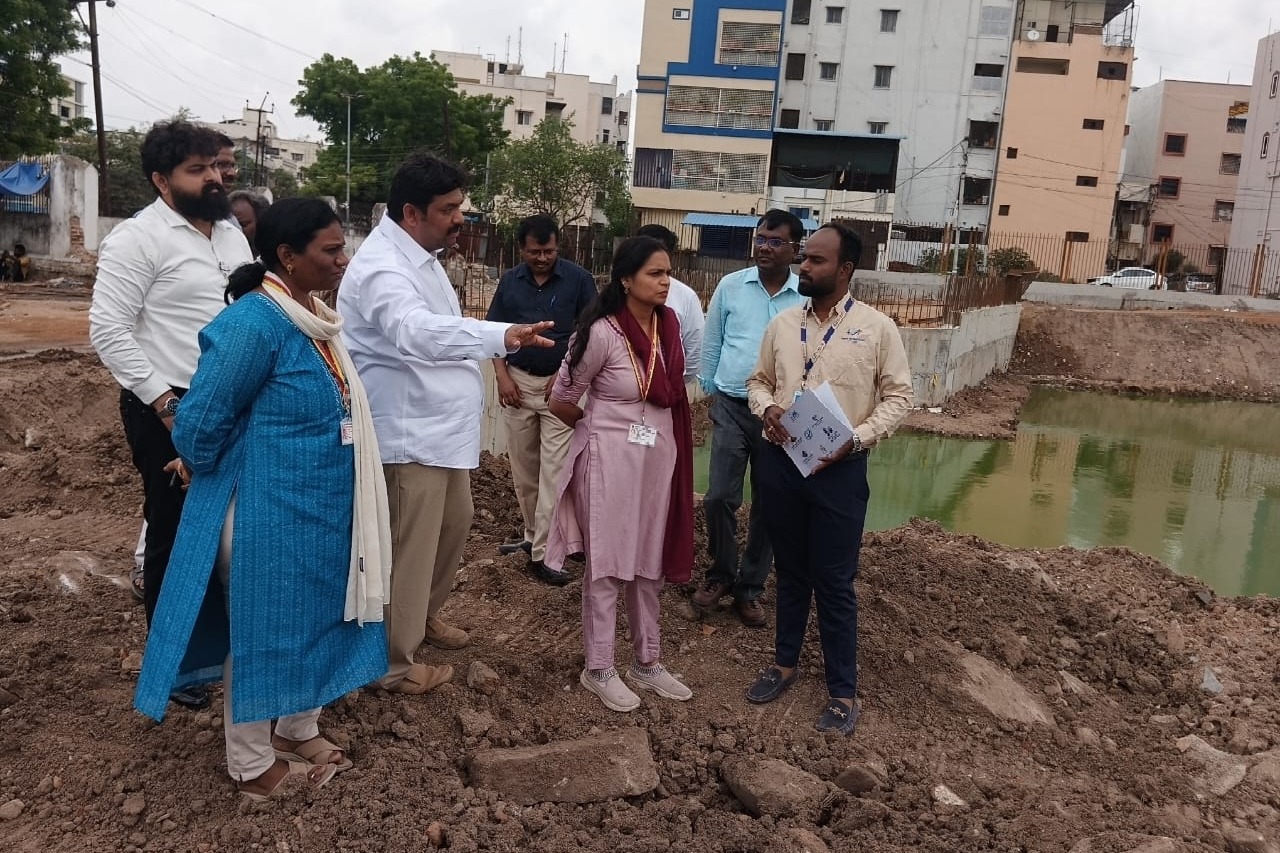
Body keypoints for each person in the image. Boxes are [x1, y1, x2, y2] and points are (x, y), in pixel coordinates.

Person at [134, 197, 391, 799]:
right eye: (331, 250)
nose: (344, 260)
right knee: (265, 629)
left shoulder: (314, 316)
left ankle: (297, 728)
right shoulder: (253, 325)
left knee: (319, 618)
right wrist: (204, 462)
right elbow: (199, 425)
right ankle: (251, 764)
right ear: (287, 256)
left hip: (323, 510)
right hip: (264, 516)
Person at [339, 153, 553, 695]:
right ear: (412, 213)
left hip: (440, 434)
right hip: (407, 435)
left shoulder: (423, 256)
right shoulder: (383, 268)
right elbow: (415, 332)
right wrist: (501, 336)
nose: (461, 218)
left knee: (454, 523)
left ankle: (421, 616)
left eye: (460, 206)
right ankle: (392, 662)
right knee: (409, 548)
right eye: (449, 209)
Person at [89, 120, 252, 709]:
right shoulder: (138, 239)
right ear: (161, 180)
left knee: (232, 530)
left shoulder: (231, 235)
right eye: (196, 170)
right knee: (176, 530)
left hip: (230, 400)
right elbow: (108, 329)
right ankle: (176, 666)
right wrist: (165, 406)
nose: (214, 178)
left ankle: (224, 649)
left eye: (215, 167)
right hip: (169, 404)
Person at [743, 222, 913, 735]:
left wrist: (856, 439)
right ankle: (784, 664)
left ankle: (842, 691)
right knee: (791, 572)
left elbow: (899, 397)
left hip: (839, 470)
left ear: (845, 269)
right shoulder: (782, 324)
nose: (804, 265)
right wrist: (767, 408)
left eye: (817, 260)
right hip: (782, 464)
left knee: (835, 582)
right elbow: (758, 380)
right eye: (805, 257)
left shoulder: (877, 329)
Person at [546, 236, 695, 713]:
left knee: (650, 561)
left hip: (657, 462)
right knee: (608, 563)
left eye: (668, 272)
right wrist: (599, 429)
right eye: (655, 273)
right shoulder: (601, 334)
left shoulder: (669, 327)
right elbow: (561, 399)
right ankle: (599, 667)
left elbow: (674, 389)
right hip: (609, 463)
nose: (666, 282)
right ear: (627, 280)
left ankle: (647, 662)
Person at [692, 210, 806, 627]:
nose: (764, 247)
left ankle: (750, 587)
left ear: (795, 249)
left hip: (780, 416)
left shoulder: (804, 296)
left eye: (775, 241)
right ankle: (721, 573)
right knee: (719, 496)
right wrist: (710, 386)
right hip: (732, 405)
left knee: (770, 503)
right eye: (760, 239)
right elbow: (713, 339)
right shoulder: (731, 285)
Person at [486, 214, 599, 586]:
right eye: (535, 252)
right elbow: (494, 333)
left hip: (559, 391)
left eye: (549, 251)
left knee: (554, 473)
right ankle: (533, 536)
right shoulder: (510, 282)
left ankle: (544, 554)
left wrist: (565, 374)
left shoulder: (579, 281)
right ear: (522, 249)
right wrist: (502, 377)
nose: (542, 258)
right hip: (517, 386)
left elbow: (591, 332)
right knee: (524, 472)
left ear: (557, 246)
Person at [635, 224, 704, 383]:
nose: (652, 259)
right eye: (645, 253)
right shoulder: (618, 293)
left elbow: (694, 351)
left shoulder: (685, 297)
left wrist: (671, 385)